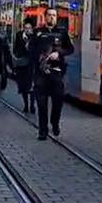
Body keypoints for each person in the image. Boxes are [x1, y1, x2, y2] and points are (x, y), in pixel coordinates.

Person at [31, 8, 74, 141]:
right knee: (41, 104)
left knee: (58, 102)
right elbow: (31, 50)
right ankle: (42, 131)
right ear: (45, 17)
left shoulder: (62, 32)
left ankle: (54, 122)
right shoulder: (38, 32)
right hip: (41, 74)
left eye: (54, 15)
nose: (52, 18)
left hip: (56, 73)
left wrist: (59, 53)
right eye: (49, 15)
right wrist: (39, 57)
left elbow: (70, 49)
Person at [12, 17, 37, 114]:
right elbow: (15, 48)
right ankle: (26, 104)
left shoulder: (34, 37)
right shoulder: (19, 35)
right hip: (21, 65)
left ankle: (32, 105)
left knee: (31, 86)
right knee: (23, 87)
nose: (27, 30)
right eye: (26, 28)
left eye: (29, 28)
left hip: (31, 65)